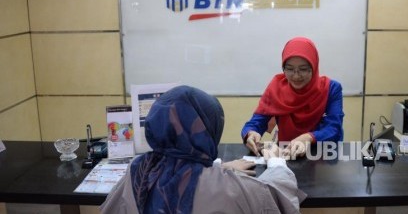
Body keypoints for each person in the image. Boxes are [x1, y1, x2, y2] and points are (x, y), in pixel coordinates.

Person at [100, 85, 306, 214]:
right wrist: (277, 162)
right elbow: (274, 199)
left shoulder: (138, 171)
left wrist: (219, 168)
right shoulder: (228, 188)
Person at [241, 37, 344, 158]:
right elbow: (256, 121)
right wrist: (250, 134)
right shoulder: (276, 87)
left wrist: (308, 137)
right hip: (287, 153)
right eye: (289, 69)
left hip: (323, 154)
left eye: (303, 69)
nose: (296, 76)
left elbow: (334, 127)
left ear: (314, 67)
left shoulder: (331, 89)